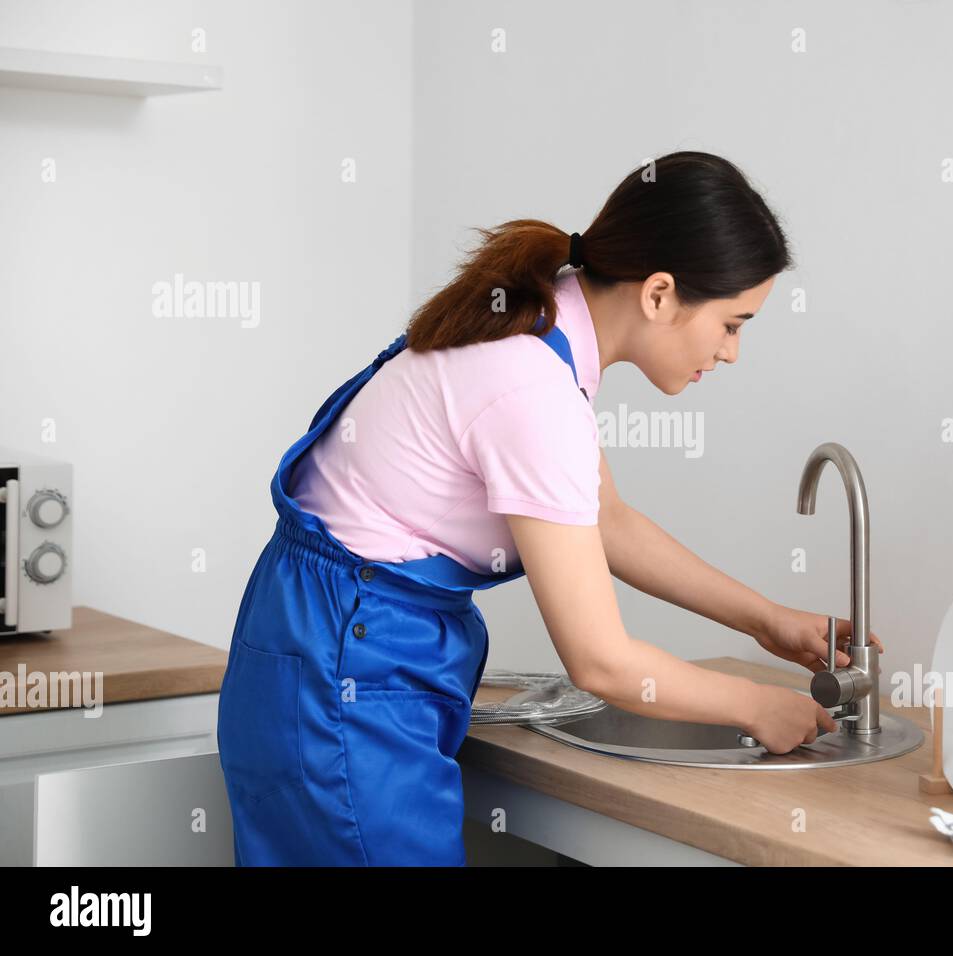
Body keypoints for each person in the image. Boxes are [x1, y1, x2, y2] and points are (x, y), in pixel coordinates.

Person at [216, 150, 884, 866]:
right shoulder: (533, 386)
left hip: (317, 644)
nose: (732, 353)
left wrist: (768, 622)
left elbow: (606, 521)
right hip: (346, 667)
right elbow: (601, 662)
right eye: (732, 323)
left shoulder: (539, 328)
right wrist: (758, 705)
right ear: (659, 294)